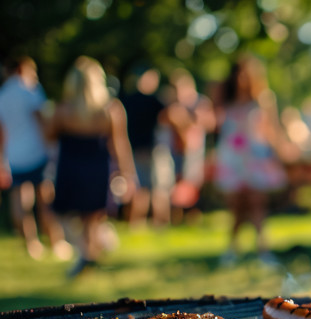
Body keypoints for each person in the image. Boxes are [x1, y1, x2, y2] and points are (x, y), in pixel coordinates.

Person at [48, 56, 138, 276]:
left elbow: (49, 136)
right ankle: (91, 252)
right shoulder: (110, 110)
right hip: (97, 166)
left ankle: (87, 255)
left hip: (71, 166)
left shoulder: (63, 110)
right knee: (93, 216)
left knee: (70, 214)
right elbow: (119, 144)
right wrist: (128, 174)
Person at [214, 56, 287, 266]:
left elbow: (272, 130)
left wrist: (280, 152)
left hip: (255, 157)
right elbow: (217, 127)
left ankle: (263, 249)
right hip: (233, 158)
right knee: (237, 205)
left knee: (256, 203)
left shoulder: (263, 100)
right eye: (239, 72)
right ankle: (232, 249)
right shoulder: (227, 102)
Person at [0, 56, 69, 260]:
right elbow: (42, 121)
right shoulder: (30, 91)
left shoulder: (3, 95)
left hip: (14, 154)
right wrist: (53, 144)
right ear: (23, 69)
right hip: (36, 151)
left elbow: (2, 131)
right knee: (45, 198)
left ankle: (31, 244)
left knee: (19, 200)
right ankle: (56, 241)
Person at [160, 68, 215, 221]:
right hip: (174, 149)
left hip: (194, 149)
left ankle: (192, 215)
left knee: (192, 181)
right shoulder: (170, 103)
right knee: (175, 181)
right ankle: (177, 216)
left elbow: (211, 123)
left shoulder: (200, 102)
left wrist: (190, 119)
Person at [120, 65, 166, 227]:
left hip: (137, 149)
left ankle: (138, 224)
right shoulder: (154, 101)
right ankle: (150, 223)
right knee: (150, 188)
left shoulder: (127, 100)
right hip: (146, 149)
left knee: (143, 188)